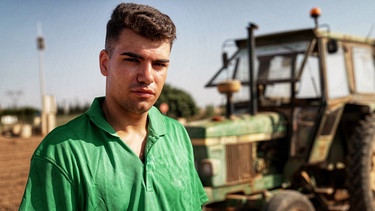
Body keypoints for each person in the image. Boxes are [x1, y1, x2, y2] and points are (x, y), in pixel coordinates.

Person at [19, 3, 208, 210]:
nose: (147, 76)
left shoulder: (177, 135)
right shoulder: (60, 152)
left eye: (159, 64)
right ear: (104, 63)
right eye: (132, 60)